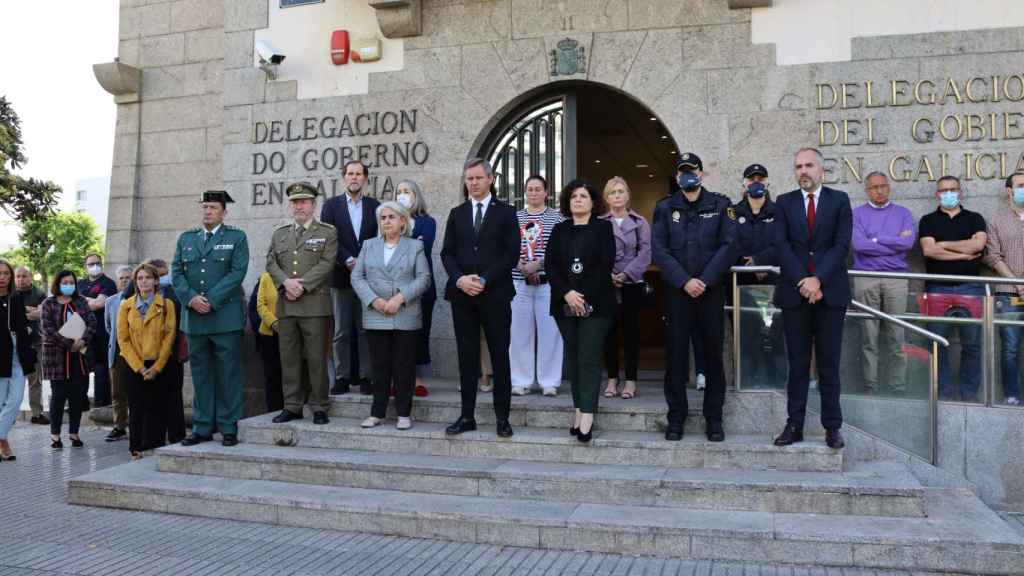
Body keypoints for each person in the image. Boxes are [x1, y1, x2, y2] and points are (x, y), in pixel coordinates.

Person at [652, 153, 736, 442]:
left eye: (692, 171)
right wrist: (685, 281)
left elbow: (729, 246)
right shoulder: (665, 208)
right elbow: (659, 250)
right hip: (678, 293)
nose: (688, 176)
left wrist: (704, 280)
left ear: (701, 174)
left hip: (710, 292)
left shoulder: (721, 205)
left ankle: (714, 419)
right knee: (676, 356)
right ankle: (676, 418)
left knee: (713, 355)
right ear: (677, 177)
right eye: (682, 172)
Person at [772, 148, 852, 450]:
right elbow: (781, 246)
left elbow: (841, 245)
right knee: (798, 364)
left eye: (808, 165)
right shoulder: (784, 202)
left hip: (830, 293)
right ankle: (794, 425)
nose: (803, 171)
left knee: (829, 364)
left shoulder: (840, 200)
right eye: (798, 167)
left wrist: (818, 279)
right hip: (795, 294)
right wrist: (803, 281)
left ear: (822, 170)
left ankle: (832, 427)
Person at [441, 157, 520, 438]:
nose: (473, 183)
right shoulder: (457, 213)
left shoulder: (506, 213)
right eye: (469, 179)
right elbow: (447, 253)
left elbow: (511, 254)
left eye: (478, 178)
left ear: (490, 179)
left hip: (495, 294)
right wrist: (460, 279)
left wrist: (484, 279)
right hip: (462, 296)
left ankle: (502, 418)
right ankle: (467, 416)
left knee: (499, 355)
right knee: (467, 358)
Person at [171, 190, 249, 447]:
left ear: (224, 212)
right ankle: (202, 426)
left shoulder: (236, 238)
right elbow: (176, 273)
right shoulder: (187, 239)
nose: (207, 211)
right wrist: (192, 298)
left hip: (225, 318)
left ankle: (229, 426)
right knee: (201, 375)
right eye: (205, 207)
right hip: (195, 319)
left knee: (228, 376)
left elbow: (237, 272)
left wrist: (211, 300)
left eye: (213, 207)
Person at [352, 201, 432, 429]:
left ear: (403, 221)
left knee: (404, 366)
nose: (386, 221)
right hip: (376, 313)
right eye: (383, 218)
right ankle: (377, 413)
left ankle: (404, 414)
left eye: (392, 217)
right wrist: (374, 300)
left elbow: (424, 278)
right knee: (379, 366)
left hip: (404, 312)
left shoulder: (415, 246)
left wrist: (400, 298)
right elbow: (357, 277)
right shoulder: (369, 245)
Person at [547, 181, 615, 443]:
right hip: (564, 303)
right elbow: (551, 265)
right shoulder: (559, 229)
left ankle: (587, 413)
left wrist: (581, 296)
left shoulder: (603, 228)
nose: (578, 200)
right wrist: (567, 293)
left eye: (583, 196)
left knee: (588, 358)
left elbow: (605, 264)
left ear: (593, 201)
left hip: (596, 305)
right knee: (574, 359)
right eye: (574, 196)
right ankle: (578, 408)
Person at [267, 183, 338, 425]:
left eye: (304, 202)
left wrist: (302, 285)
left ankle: (319, 406)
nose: (299, 206)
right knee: (289, 358)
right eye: (295, 202)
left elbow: (327, 263)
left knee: (316, 358)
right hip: (287, 305)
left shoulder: (327, 232)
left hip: (315, 305)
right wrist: (286, 283)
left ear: (313, 205)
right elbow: (271, 262)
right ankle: (292, 405)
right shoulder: (280, 233)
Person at [919, 175, 987, 402]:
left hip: (971, 288)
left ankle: (969, 393)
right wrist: (965, 254)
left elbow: (978, 244)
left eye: (953, 189)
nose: (948, 193)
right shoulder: (928, 220)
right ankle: (943, 393)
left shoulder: (975, 218)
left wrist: (945, 244)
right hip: (937, 288)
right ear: (937, 194)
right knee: (937, 344)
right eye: (944, 190)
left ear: (961, 192)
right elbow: (929, 251)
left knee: (973, 345)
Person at [851, 172, 916, 395]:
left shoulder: (903, 213)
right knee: (868, 335)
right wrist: (893, 243)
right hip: (865, 277)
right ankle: (870, 385)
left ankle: (897, 386)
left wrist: (878, 240)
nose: (879, 190)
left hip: (896, 279)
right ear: (866, 190)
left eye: (883, 186)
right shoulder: (857, 214)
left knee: (897, 334)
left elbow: (907, 243)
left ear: (889, 187)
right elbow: (859, 245)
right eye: (874, 187)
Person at [321, 160, 380, 395]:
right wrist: (347, 259)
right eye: (350, 173)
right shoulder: (331, 206)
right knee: (341, 331)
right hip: (341, 277)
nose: (354, 177)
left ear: (365, 178)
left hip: (367, 278)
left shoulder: (374, 206)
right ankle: (342, 377)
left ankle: (367, 376)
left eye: (358, 174)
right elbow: (329, 238)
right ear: (344, 177)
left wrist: (361, 262)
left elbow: (378, 239)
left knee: (366, 329)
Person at [510, 174, 564, 397]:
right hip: (518, 283)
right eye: (530, 189)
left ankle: (549, 381)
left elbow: (560, 250)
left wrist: (538, 264)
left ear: (546, 192)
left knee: (550, 334)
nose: (533, 193)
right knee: (519, 334)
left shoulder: (557, 218)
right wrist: (521, 265)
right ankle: (520, 380)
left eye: (538, 189)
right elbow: (506, 246)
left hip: (548, 284)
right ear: (525, 192)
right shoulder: (515, 217)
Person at [117, 263, 177, 460]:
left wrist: (157, 367)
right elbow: (123, 340)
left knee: (158, 406)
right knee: (136, 407)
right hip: (134, 364)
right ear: (135, 282)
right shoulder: (126, 305)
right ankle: (135, 447)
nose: (144, 282)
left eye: (148, 278)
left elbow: (169, 337)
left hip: (159, 363)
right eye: (140, 278)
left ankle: (155, 445)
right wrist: (139, 367)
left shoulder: (166, 305)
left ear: (156, 281)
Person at [732, 164, 783, 386]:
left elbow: (782, 243)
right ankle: (747, 379)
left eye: (760, 178)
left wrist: (760, 261)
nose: (755, 182)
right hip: (741, 285)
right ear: (744, 183)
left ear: (767, 182)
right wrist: (751, 264)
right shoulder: (733, 212)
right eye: (751, 179)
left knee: (774, 333)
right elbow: (730, 243)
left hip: (773, 282)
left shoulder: (779, 212)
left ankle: (775, 379)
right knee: (747, 335)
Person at [600, 176, 650, 400]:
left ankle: (631, 380)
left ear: (628, 195)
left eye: (621, 191)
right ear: (606, 197)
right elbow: (595, 253)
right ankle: (612, 378)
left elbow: (646, 253)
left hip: (631, 283)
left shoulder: (640, 223)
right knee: (608, 334)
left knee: (631, 334)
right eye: (613, 192)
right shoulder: (600, 223)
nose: (617, 196)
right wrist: (608, 275)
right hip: (607, 284)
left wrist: (626, 274)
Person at [41, 270, 96, 449]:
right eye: (65, 282)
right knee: (58, 396)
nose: (68, 285)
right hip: (57, 357)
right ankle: (55, 435)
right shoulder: (48, 303)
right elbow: (48, 328)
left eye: (71, 282)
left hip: (79, 356)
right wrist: (68, 343)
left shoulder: (81, 301)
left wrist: (83, 340)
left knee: (77, 396)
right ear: (58, 284)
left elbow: (92, 322)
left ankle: (74, 432)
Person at [985, 171, 1024, 406]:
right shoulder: (996, 220)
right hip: (1008, 293)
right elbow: (993, 256)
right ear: (1009, 191)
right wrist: (1019, 283)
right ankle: (1012, 396)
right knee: (1010, 348)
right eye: (1021, 185)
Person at [397, 180, 437, 397]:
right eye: (399, 192)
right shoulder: (390, 220)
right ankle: (399, 377)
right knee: (399, 334)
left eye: (407, 191)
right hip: (396, 289)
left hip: (422, 289)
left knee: (420, 333)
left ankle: (418, 378)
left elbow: (423, 246)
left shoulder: (427, 222)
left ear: (416, 195)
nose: (403, 195)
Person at [0, 260, 36, 461]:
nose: (2, 277)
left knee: (15, 400)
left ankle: (0, 437)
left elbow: (22, 325)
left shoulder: (16, 298)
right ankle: (3, 442)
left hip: (17, 354)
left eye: (6, 273)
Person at [149, 258, 186, 445]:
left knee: (173, 396)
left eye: (165, 274)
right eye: (159, 275)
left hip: (172, 352)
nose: (164, 278)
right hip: (149, 354)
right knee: (153, 397)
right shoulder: (141, 295)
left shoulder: (176, 293)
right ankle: (155, 437)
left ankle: (177, 436)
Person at [78, 253, 118, 409]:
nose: (94, 266)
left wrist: (82, 300)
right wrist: (90, 301)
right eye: (91, 264)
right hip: (81, 333)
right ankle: (80, 403)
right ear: (85, 266)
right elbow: (70, 303)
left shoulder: (108, 283)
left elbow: (99, 304)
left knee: (101, 371)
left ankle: (102, 405)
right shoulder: (80, 283)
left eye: (97, 263)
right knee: (80, 370)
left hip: (101, 334)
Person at [103, 265, 134, 442]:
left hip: (137, 352)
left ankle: (138, 424)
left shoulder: (140, 299)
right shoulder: (110, 301)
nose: (124, 281)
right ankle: (119, 426)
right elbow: (108, 326)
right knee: (117, 392)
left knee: (137, 391)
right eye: (121, 278)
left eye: (128, 278)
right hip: (117, 352)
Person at [14, 266, 47, 425]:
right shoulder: (9, 293)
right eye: (18, 276)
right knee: (11, 381)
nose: (21, 279)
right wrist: (29, 311)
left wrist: (19, 312)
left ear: (31, 277)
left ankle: (36, 414)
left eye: (24, 276)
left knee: (35, 381)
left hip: (35, 343)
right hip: (13, 344)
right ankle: (8, 414)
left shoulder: (39, 294)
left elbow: (42, 313)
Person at [255, 271, 283, 412]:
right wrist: (273, 322)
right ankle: (273, 409)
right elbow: (260, 304)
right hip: (269, 334)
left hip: (291, 333)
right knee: (272, 375)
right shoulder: (266, 277)